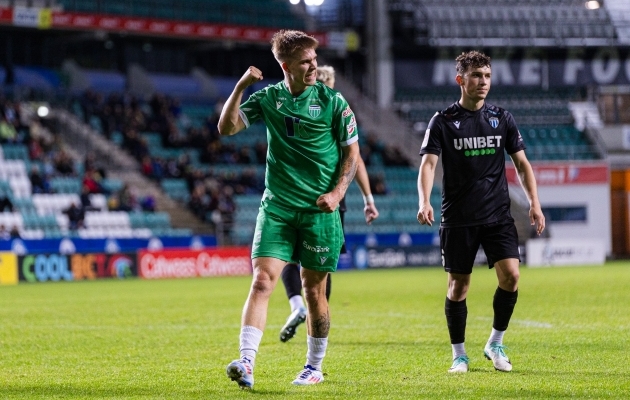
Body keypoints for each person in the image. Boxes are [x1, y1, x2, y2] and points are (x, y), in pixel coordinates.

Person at [219, 30, 360, 389]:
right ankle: (247, 362)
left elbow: (352, 154)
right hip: (278, 208)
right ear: (286, 66)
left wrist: (338, 193)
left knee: (315, 292)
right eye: (305, 62)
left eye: (315, 60)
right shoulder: (268, 98)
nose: (314, 66)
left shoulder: (334, 102)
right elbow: (227, 127)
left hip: (319, 212)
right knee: (262, 280)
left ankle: (314, 366)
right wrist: (240, 87)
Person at [416, 51, 545, 374]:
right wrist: (424, 200)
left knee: (512, 276)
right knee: (458, 286)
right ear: (460, 80)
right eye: (476, 76)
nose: (483, 82)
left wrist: (534, 202)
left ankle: (495, 342)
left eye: (487, 76)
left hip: (498, 215)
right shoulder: (442, 121)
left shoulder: (502, 118)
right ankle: (459, 355)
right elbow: (428, 164)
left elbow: (522, 164)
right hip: (458, 217)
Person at [278, 65, 379, 343]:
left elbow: (353, 159)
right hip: (326, 199)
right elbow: (354, 159)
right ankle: (315, 319)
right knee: (320, 262)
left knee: (297, 257)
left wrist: (368, 199)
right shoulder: (331, 111)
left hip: (312, 198)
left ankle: (302, 309)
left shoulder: (330, 112)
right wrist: (367, 199)